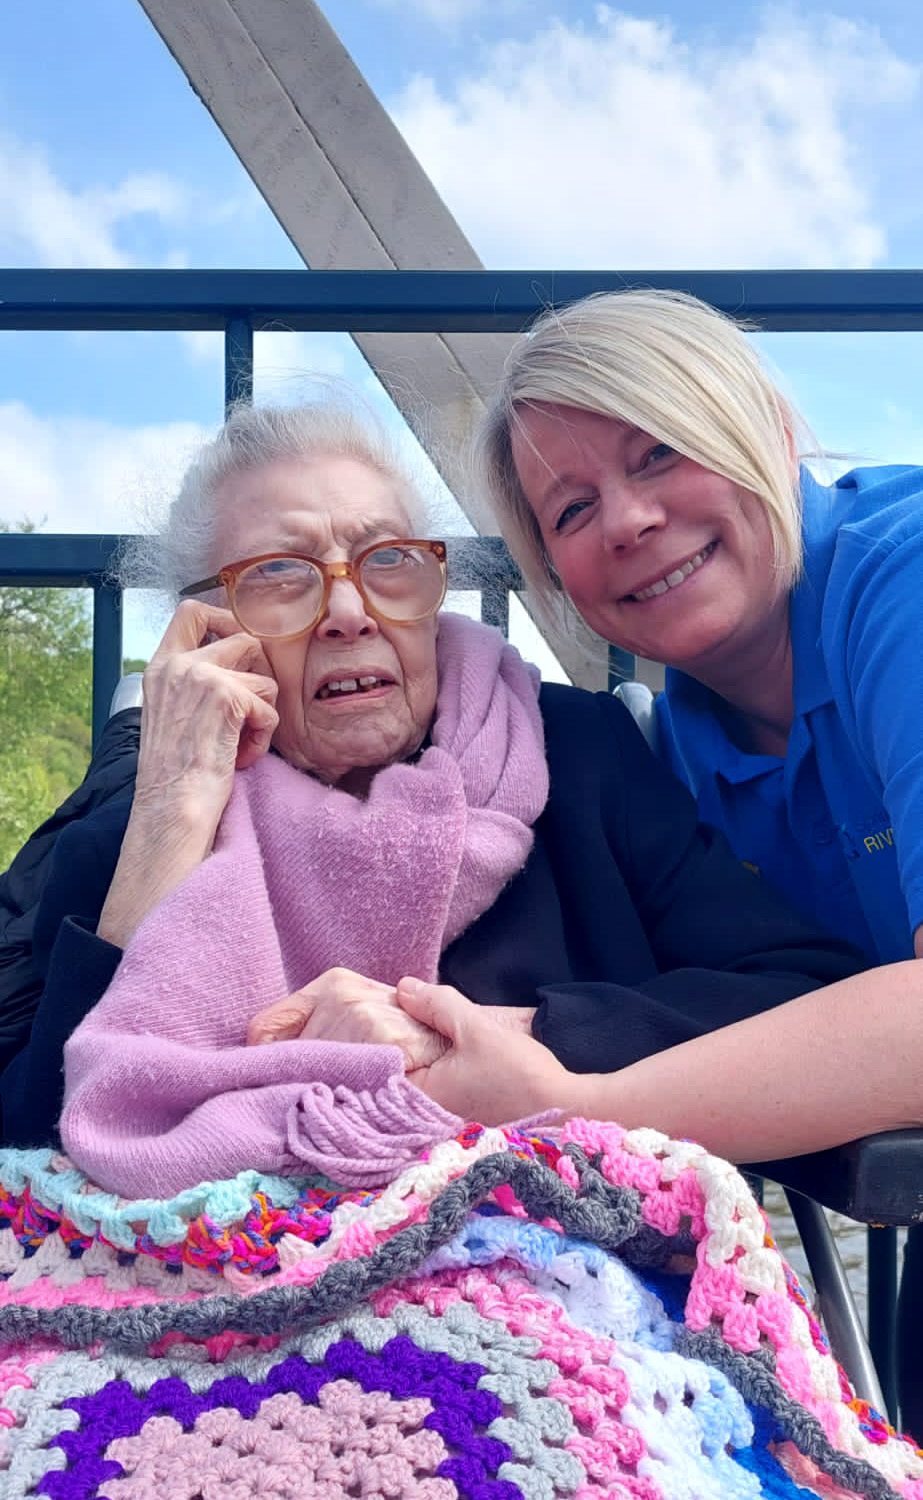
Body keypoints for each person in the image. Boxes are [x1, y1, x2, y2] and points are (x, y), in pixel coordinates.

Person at [2, 392, 921, 1200]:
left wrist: (487, 1039)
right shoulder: (142, 815)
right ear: (208, 630)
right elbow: (34, 1144)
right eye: (278, 575)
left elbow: (797, 986)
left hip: (569, 1286)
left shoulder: (579, 752)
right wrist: (170, 817)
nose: (349, 612)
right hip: (214, 1294)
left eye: (388, 560)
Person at [473, 284, 923, 1428]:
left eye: (658, 452)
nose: (625, 522)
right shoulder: (675, 748)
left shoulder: (904, 581)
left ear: (764, 430)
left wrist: (570, 1106)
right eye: (571, 509)